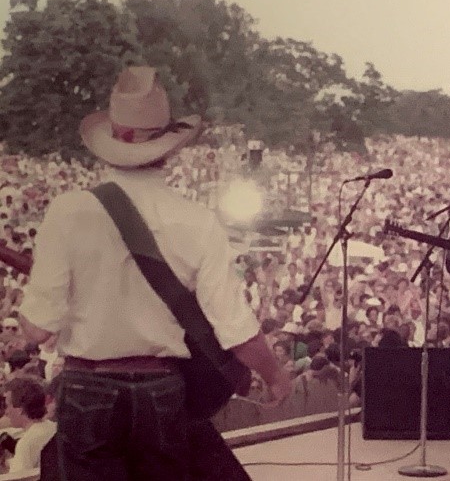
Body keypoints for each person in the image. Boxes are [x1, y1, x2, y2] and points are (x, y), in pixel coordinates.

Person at [17, 66, 291, 481]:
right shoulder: (198, 220)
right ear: (168, 147)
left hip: (87, 386)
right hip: (160, 388)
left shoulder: (67, 211)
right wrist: (275, 377)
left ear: (111, 140)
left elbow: (36, 330)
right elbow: (236, 329)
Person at [2, 376, 56, 475]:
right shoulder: (55, 429)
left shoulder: (26, 444)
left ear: (20, 410)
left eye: (8, 405)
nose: (6, 412)